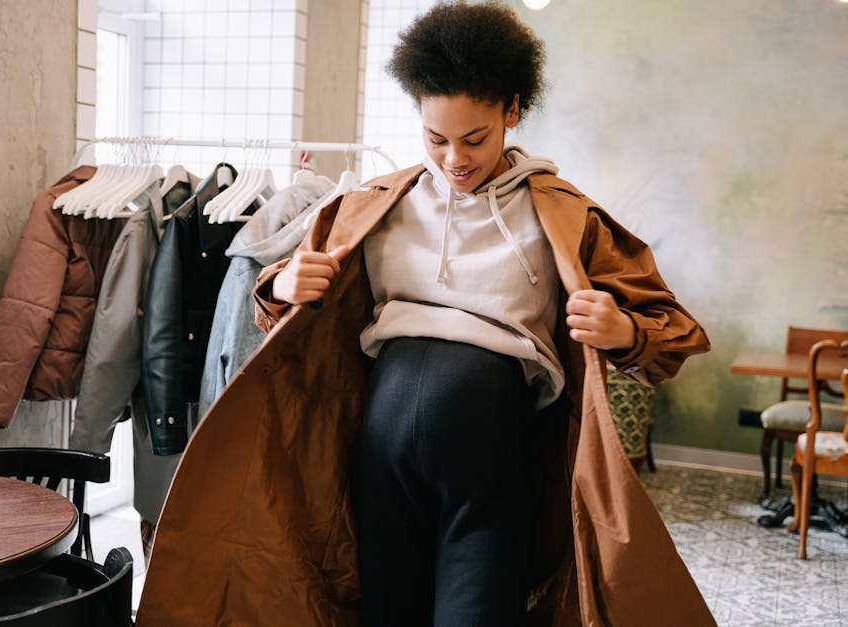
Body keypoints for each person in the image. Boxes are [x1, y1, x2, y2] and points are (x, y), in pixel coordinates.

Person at [134, 2, 712, 625]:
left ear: (511, 112)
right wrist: (284, 286)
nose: (455, 159)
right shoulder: (376, 203)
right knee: (389, 612)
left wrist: (623, 330)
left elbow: (675, 333)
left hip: (490, 437)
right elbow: (282, 304)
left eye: (475, 138)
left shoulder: (563, 214)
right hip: (380, 439)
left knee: (478, 613)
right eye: (436, 139)